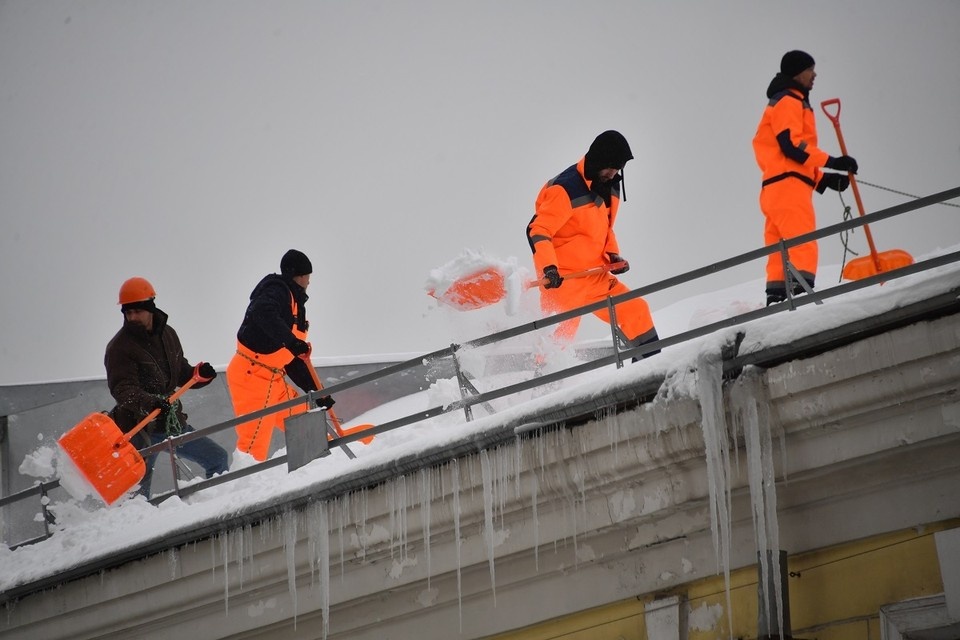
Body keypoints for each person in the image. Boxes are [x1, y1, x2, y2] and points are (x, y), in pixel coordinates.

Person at [526, 130, 660, 360]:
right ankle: (543, 388)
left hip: (596, 275)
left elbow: (603, 226)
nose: (613, 174)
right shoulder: (564, 189)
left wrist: (612, 255)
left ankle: (652, 367)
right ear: (597, 160)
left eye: (617, 169)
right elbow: (538, 230)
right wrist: (549, 268)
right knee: (557, 342)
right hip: (563, 281)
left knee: (636, 309)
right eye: (609, 168)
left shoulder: (611, 185)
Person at [105, 277, 229, 499]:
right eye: (127, 312)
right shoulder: (119, 347)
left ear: (150, 308)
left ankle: (216, 506)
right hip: (138, 429)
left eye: (137, 311)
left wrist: (200, 376)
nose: (132, 317)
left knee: (218, 459)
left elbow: (181, 373)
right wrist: (150, 403)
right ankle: (139, 529)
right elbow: (122, 389)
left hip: (171, 423)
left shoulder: (168, 334)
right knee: (137, 498)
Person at [752, 49, 858, 306]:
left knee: (779, 248)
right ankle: (803, 299)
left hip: (775, 187)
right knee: (802, 242)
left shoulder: (782, 100)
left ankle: (776, 299)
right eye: (810, 69)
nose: (814, 74)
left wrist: (823, 180)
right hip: (789, 188)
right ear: (798, 72)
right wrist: (832, 162)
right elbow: (791, 145)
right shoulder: (789, 101)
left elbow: (785, 156)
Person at [226, 249, 335, 461]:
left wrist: (318, 392)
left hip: (274, 379)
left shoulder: (296, 304)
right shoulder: (276, 291)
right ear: (299, 276)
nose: (309, 282)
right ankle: (243, 489)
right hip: (252, 377)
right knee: (253, 446)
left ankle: (320, 469)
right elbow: (262, 312)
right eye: (308, 276)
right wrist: (293, 342)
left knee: (306, 422)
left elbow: (292, 360)